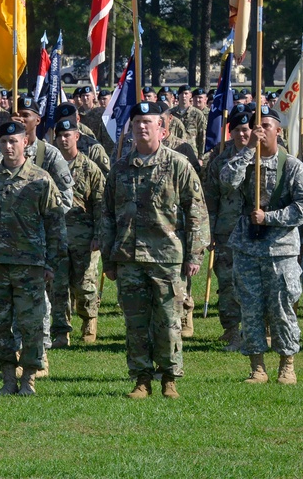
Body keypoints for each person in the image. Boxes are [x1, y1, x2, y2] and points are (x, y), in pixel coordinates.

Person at [100, 101, 209, 399]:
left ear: (162, 129)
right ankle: (141, 378)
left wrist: (194, 254)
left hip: (166, 256)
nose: (142, 127)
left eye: (149, 122)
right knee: (135, 323)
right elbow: (107, 214)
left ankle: (169, 378)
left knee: (168, 321)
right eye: (137, 122)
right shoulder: (120, 168)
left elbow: (196, 211)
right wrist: (109, 258)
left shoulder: (178, 164)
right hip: (128, 257)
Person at [0, 120, 66, 395]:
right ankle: (8, 379)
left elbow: (55, 225)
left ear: (25, 142)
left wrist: (50, 263)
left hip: (31, 264)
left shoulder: (40, 179)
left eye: (14, 141)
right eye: (4, 142)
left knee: (31, 323)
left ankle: (29, 379)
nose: (9, 146)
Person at [219, 106, 303, 384]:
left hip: (280, 250)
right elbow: (226, 181)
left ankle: (287, 364)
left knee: (281, 308)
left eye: (266, 126)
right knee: (251, 308)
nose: (261, 131)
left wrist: (269, 217)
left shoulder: (292, 166)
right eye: (258, 127)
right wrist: (248, 150)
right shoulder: (247, 161)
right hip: (247, 247)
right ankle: (257, 366)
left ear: (278, 130)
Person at [201, 108, 254, 348]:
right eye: (238, 130)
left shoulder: (265, 157)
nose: (243, 134)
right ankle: (231, 330)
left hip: (256, 232)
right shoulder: (220, 161)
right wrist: (209, 230)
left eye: (247, 129)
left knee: (255, 283)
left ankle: (258, 329)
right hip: (227, 232)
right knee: (228, 282)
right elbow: (210, 199)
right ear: (230, 132)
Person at [52, 117, 105, 343]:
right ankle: (61, 330)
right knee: (58, 286)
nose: (64, 140)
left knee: (84, 285)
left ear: (77, 137)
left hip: (84, 236)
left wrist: (99, 235)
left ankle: (88, 319)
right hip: (56, 236)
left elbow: (101, 204)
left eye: (68, 136)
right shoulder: (50, 166)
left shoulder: (89, 168)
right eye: (60, 136)